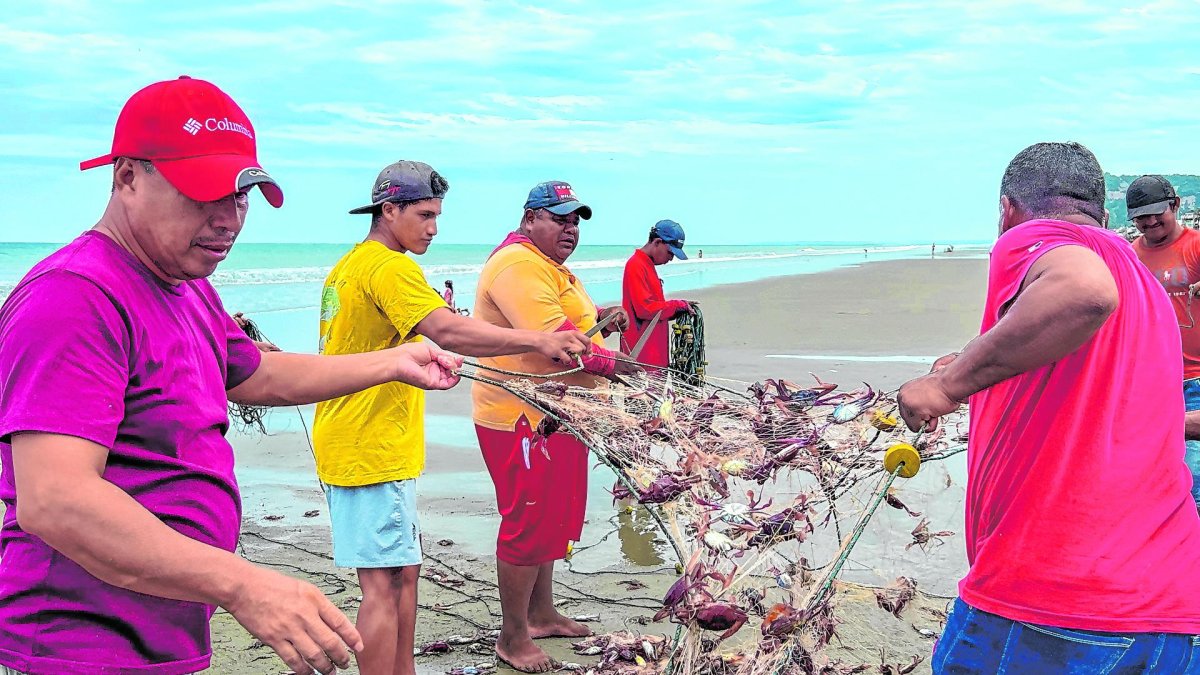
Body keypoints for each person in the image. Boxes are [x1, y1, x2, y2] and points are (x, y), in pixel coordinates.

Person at [0, 77, 464, 675]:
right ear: (127, 178)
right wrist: (245, 586)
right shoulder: (73, 298)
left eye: (240, 196)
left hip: (163, 628)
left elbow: (255, 373)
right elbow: (56, 500)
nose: (228, 220)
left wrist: (395, 363)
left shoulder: (185, 285)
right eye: (202, 194)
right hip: (75, 645)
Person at [898, 142, 1200, 672]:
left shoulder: (1037, 235)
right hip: (1173, 615)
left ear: (1007, 208)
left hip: (1055, 604)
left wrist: (947, 389)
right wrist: (969, 357)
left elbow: (1081, 292)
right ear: (1107, 218)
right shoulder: (1144, 285)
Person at [313, 163, 592, 675]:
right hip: (370, 442)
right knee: (383, 585)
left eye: (437, 215)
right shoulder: (389, 267)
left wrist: (425, 349)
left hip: (358, 437)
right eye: (423, 215)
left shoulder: (352, 265)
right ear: (388, 210)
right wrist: (538, 339)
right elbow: (452, 331)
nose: (434, 228)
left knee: (404, 574)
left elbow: (386, 340)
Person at [472, 181, 640, 672]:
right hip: (521, 418)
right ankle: (513, 636)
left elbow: (570, 328)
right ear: (529, 219)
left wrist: (599, 318)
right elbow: (560, 346)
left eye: (576, 221)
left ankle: (541, 613)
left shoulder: (550, 266)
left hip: (559, 413)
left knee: (552, 519)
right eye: (559, 218)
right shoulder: (519, 265)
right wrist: (627, 369)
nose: (571, 228)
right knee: (528, 521)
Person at [1127, 174, 1200, 506]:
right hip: (1153, 381)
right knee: (1156, 472)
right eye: (1142, 216)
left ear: (1176, 206)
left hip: (1196, 379)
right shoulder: (1130, 256)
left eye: (1159, 212)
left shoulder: (1195, 246)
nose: (1151, 221)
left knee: (1194, 476)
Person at [620, 219, 694, 371]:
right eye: (670, 252)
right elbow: (645, 309)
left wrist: (677, 310)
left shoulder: (647, 265)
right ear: (657, 242)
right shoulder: (636, 265)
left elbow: (655, 309)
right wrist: (676, 305)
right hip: (642, 357)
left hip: (654, 355)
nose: (671, 258)